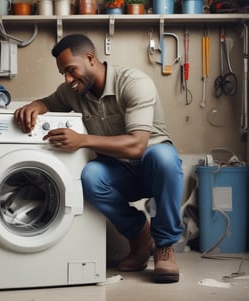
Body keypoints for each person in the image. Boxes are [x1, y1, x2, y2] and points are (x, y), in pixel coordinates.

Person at [14, 34, 184, 283]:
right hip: (118, 171)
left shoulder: (134, 82)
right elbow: (48, 102)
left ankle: (164, 247)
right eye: (63, 73)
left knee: (165, 157)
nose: (68, 79)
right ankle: (140, 237)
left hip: (152, 166)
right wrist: (33, 107)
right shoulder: (72, 92)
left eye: (71, 70)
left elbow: (137, 145)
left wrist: (82, 140)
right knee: (90, 176)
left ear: (90, 58)